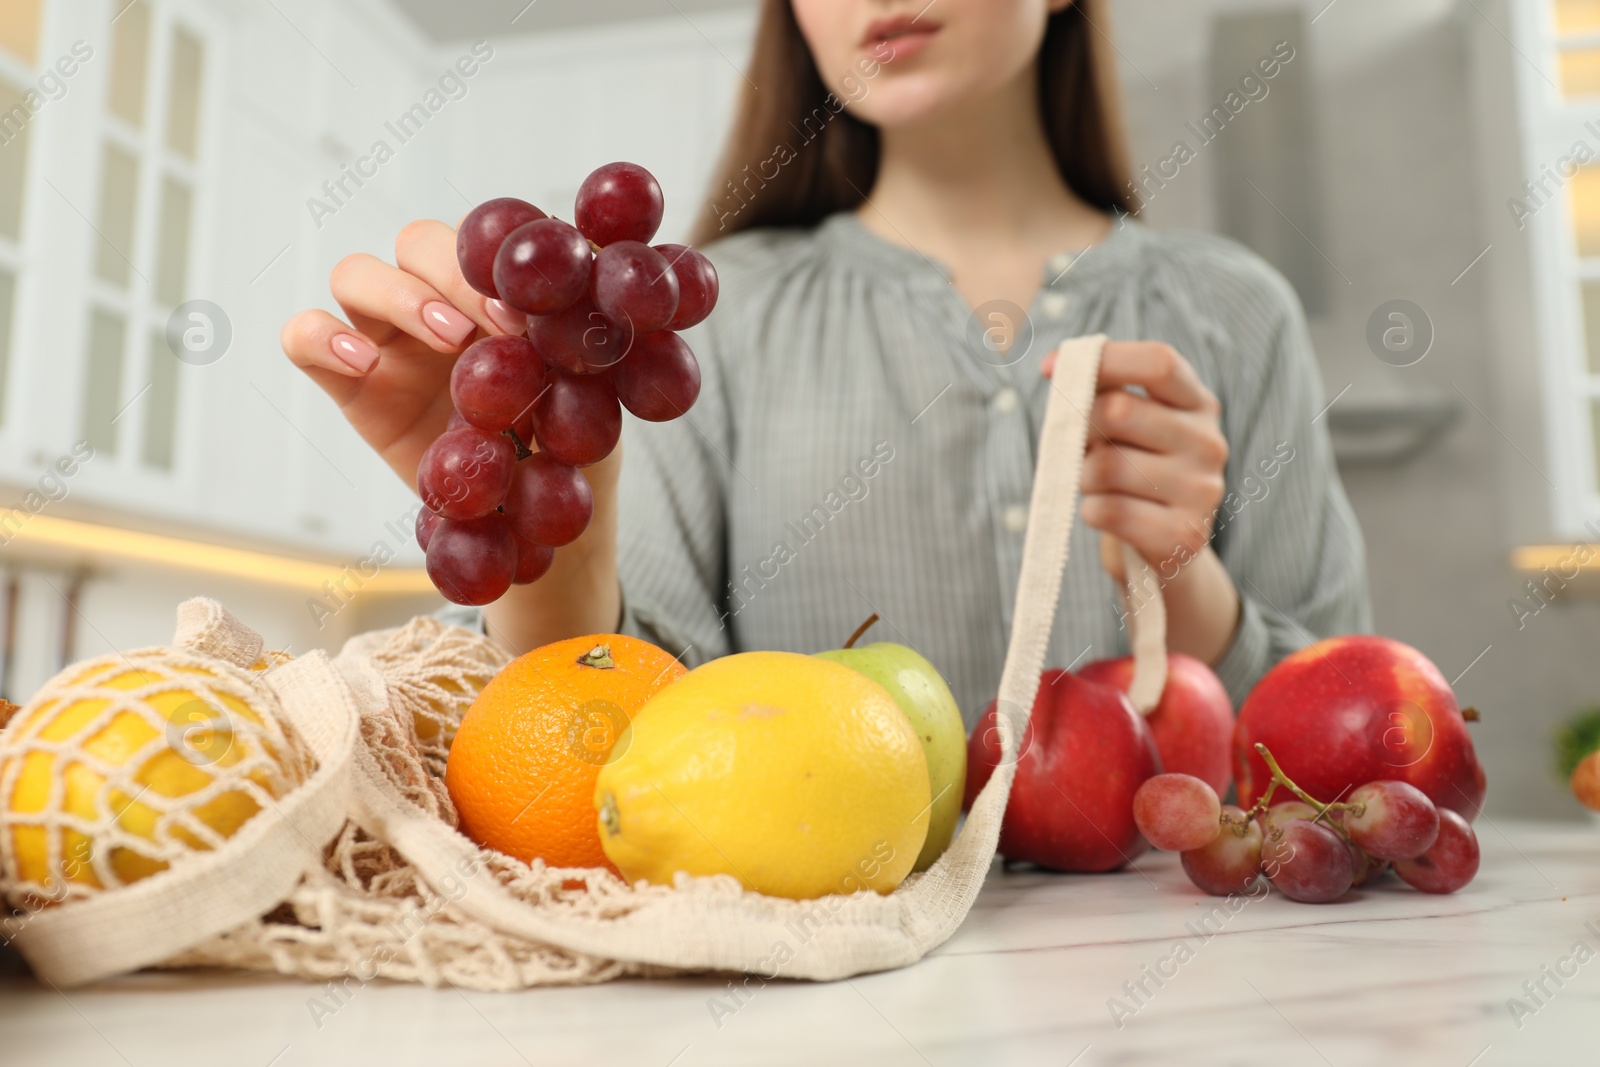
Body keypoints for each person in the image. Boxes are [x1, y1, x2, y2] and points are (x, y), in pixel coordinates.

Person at [280, 0, 1369, 720]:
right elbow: (631, 746)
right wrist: (541, 534)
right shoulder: (698, 319)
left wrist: (1183, 588)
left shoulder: (1235, 308)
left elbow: (1348, 749)